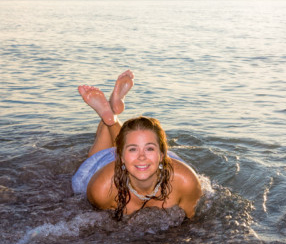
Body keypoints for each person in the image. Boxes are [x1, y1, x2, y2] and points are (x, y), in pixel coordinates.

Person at [72, 70, 202, 220]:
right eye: (134, 149)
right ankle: (109, 117)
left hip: (157, 165)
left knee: (130, 142)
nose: (141, 156)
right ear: (119, 156)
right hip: (111, 166)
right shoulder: (102, 188)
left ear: (162, 154)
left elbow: (192, 224)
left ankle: (110, 117)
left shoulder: (186, 181)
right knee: (95, 156)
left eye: (149, 148)